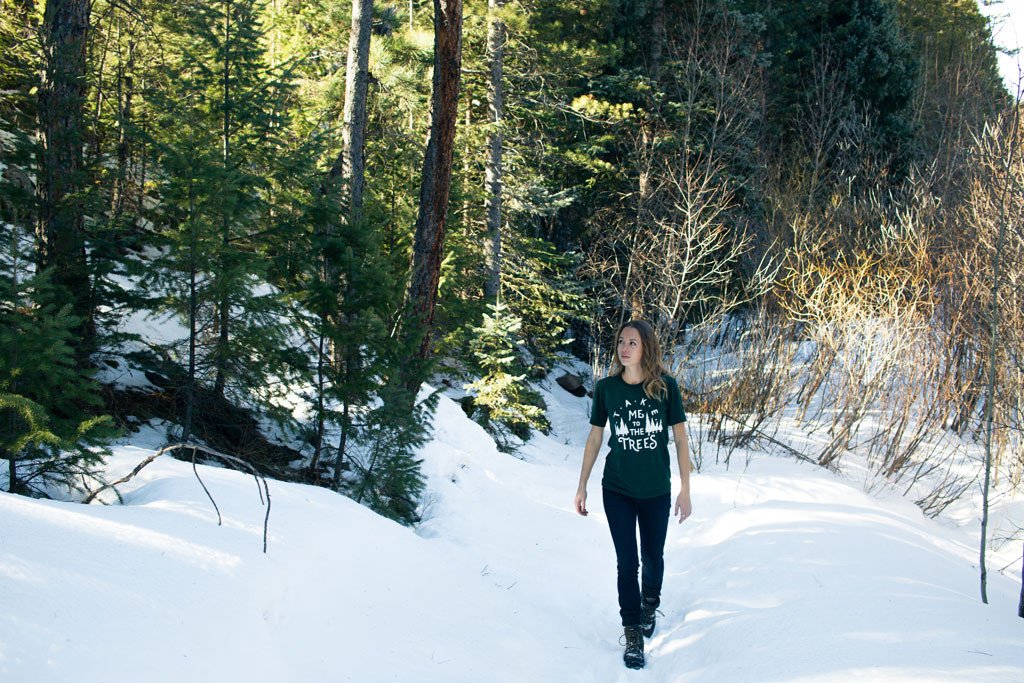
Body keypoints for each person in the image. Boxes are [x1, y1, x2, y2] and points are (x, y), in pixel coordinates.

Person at [574, 319, 692, 670]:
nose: (624, 348)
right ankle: (633, 632)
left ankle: (650, 603)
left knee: (653, 557)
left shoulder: (665, 387)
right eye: (621, 341)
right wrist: (581, 485)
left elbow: (682, 438)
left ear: (646, 349)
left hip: (656, 490)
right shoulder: (607, 388)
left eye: (633, 343)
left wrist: (686, 489)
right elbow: (596, 437)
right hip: (618, 489)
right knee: (627, 563)